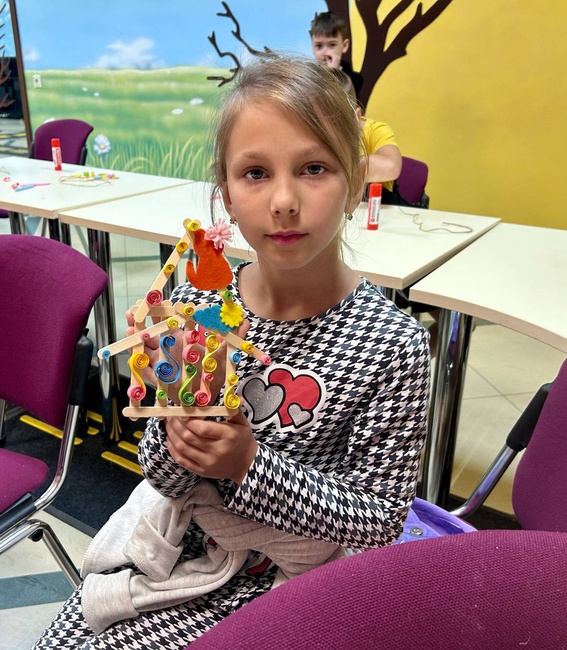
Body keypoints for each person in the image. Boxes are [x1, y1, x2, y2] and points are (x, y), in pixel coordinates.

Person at [32, 54, 429, 649]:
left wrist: (248, 464)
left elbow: (378, 521)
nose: (284, 200)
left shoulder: (391, 344)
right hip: (178, 551)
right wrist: (180, 439)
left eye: (314, 168)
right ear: (226, 197)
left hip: (295, 582)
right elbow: (160, 474)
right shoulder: (199, 305)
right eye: (256, 173)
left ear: (354, 184)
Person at [331, 68, 402, 190]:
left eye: (336, 121)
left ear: (356, 116)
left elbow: (391, 166)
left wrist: (333, 168)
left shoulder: (375, 130)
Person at [309, 11, 364, 108]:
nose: (325, 52)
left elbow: (344, 108)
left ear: (344, 46)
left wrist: (333, 73)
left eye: (332, 45)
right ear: (312, 47)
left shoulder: (354, 79)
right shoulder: (308, 78)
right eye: (319, 46)